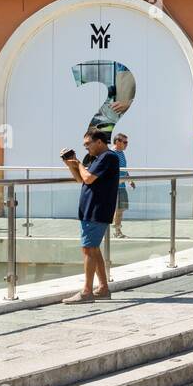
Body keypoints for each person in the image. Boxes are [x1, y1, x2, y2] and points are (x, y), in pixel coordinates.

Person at [60, 128, 120, 303]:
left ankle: (87, 292)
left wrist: (79, 163)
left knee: (88, 249)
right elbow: (81, 179)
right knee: (93, 249)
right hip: (91, 209)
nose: (86, 148)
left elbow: (88, 178)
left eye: (88, 144)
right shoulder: (98, 159)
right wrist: (71, 165)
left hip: (97, 210)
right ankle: (103, 288)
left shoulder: (108, 157)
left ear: (99, 142)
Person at [112, 133, 134, 238]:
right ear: (117, 142)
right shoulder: (112, 153)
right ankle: (116, 231)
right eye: (125, 142)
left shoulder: (121, 153)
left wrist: (129, 180)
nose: (127, 144)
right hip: (114, 187)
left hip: (122, 186)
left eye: (127, 142)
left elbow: (123, 169)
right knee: (117, 210)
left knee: (121, 209)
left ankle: (117, 230)